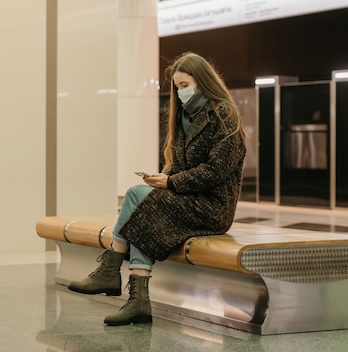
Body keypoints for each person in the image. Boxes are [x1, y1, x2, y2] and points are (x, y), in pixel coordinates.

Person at [68, 51, 247, 326]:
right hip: (187, 199)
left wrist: (171, 182)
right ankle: (132, 292)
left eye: (185, 85)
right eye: (177, 87)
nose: (180, 92)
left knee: (137, 197)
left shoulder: (224, 116)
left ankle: (112, 271)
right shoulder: (185, 118)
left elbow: (216, 172)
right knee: (141, 200)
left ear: (202, 81)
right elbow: (180, 165)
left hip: (212, 208)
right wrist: (163, 176)